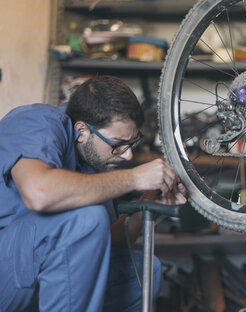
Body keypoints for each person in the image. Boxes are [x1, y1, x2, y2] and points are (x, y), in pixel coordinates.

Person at [0, 75, 187, 311]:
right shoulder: (36, 122)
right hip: (7, 270)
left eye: (132, 143)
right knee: (89, 217)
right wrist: (133, 178)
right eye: (118, 144)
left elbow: (105, 239)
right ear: (82, 131)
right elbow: (39, 193)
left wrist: (147, 203)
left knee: (143, 272)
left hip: (37, 271)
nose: (128, 156)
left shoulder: (95, 161)